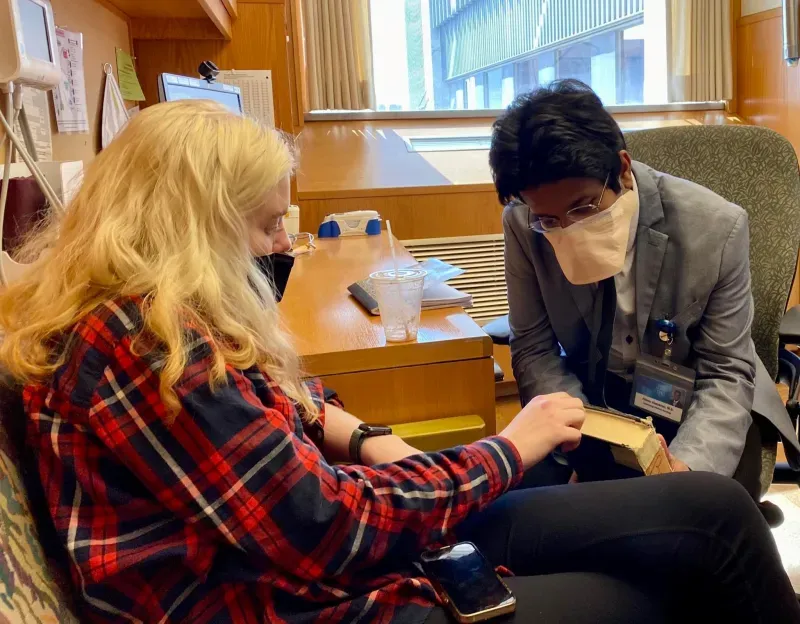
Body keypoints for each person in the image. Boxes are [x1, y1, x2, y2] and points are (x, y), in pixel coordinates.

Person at [0, 100, 797, 623]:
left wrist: (361, 433)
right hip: (313, 584)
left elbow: (284, 407)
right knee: (654, 584)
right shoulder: (146, 341)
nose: (284, 245)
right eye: (269, 224)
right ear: (194, 223)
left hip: (327, 540)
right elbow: (325, 528)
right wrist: (506, 450)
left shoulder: (149, 320)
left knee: (710, 509)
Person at [490, 79, 799, 497]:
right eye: (550, 219)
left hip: (698, 396)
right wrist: (583, 437)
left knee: (699, 511)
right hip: (590, 398)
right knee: (528, 506)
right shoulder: (524, 223)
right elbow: (532, 345)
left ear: (622, 169)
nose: (568, 228)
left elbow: (725, 370)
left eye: (583, 207)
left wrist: (685, 467)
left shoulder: (715, 226)